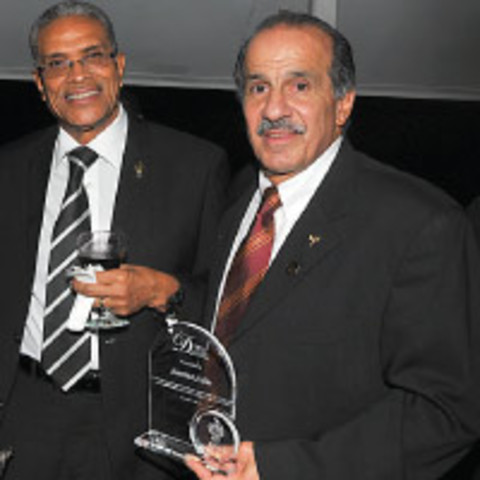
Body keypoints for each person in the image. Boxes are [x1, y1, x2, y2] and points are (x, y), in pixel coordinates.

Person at [185, 10, 480, 480]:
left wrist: (277, 467)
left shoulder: (421, 224)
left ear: (343, 104)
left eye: (299, 86)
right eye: (259, 87)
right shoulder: (241, 197)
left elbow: (445, 412)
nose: (275, 109)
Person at [0, 2, 228, 479]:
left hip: (136, 422)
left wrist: (161, 291)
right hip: (25, 412)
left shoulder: (195, 166)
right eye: (58, 63)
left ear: (119, 67)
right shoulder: (9, 168)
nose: (77, 74)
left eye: (92, 56)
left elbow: (227, 305)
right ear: (40, 85)